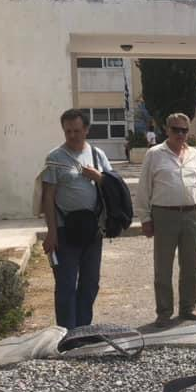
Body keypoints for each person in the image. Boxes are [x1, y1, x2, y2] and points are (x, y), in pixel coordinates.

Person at [135, 112, 196, 324]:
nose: (180, 134)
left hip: (191, 215)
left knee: (191, 266)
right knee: (163, 267)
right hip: (164, 215)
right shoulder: (154, 154)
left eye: (184, 130)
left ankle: (188, 307)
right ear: (166, 130)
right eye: (175, 129)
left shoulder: (194, 154)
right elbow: (144, 188)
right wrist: (145, 218)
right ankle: (164, 311)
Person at [41, 109, 113, 330]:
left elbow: (113, 185)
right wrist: (52, 232)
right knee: (66, 285)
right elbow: (48, 196)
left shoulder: (98, 155)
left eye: (77, 130)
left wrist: (99, 177)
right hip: (65, 231)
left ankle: (83, 330)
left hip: (92, 230)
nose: (72, 135)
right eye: (68, 131)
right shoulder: (55, 158)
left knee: (90, 283)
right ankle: (67, 333)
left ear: (87, 130)